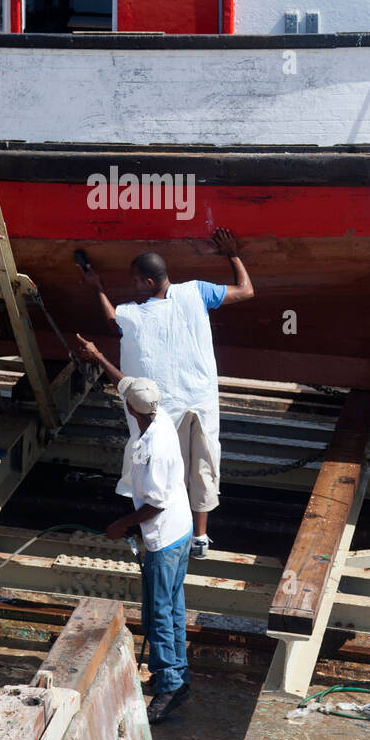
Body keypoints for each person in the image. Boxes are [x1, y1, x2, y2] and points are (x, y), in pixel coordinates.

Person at [76, 228, 253, 559]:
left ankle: (165, 532)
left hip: (166, 408)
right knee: (203, 465)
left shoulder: (134, 313)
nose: (132, 286)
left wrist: (98, 289)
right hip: (201, 400)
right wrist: (232, 252)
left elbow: (115, 320)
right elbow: (246, 290)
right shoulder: (196, 292)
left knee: (161, 467)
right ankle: (200, 537)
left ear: (147, 282)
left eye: (134, 280)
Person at [75, 335, 193, 724]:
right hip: (182, 527)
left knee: (158, 613)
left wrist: (121, 524)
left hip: (164, 536)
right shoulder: (157, 414)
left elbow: (155, 503)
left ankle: (167, 688)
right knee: (173, 607)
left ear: (131, 409)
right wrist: (98, 356)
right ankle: (178, 676)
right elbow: (125, 383)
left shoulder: (156, 448)